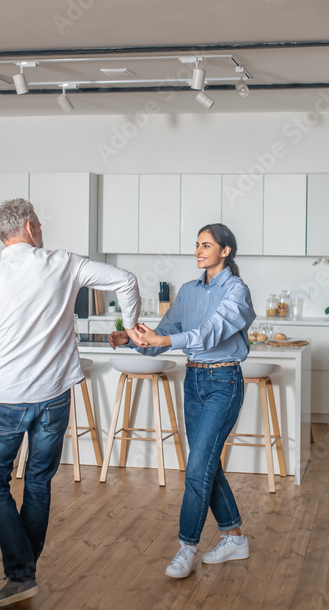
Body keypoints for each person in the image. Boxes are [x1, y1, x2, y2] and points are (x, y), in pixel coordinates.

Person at [0, 198, 143, 606]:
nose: (42, 228)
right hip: (55, 397)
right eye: (39, 222)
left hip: (8, 399)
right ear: (29, 228)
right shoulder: (64, 262)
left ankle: (21, 573)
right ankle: (24, 571)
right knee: (38, 481)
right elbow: (126, 280)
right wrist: (127, 329)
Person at [109, 223, 256, 578]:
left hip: (224, 381)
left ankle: (187, 547)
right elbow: (164, 332)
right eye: (196, 245)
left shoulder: (237, 290)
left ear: (226, 251)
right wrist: (132, 339)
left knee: (197, 466)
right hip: (194, 381)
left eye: (207, 245)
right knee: (205, 464)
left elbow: (211, 333)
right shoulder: (188, 291)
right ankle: (234, 537)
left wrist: (164, 342)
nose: (198, 251)